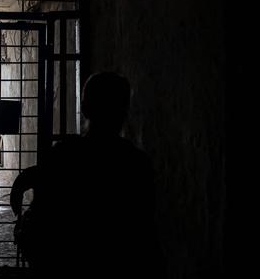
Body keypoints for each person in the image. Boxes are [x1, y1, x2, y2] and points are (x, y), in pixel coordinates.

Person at [11, 72, 163, 277]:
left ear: (84, 108)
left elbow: (41, 223)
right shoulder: (136, 162)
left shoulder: (64, 154)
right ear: (125, 111)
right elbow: (143, 231)